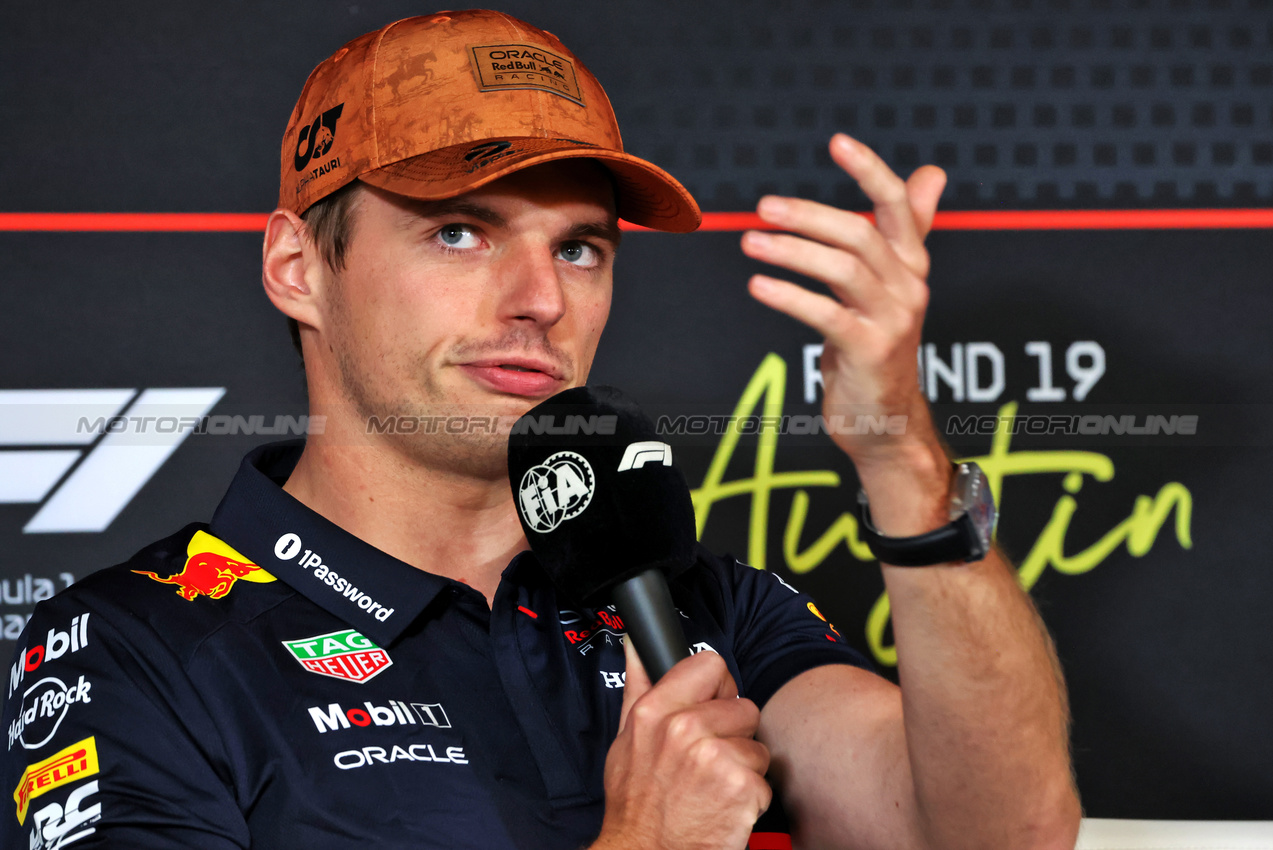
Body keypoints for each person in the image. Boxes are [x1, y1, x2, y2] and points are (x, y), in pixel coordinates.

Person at [2, 9, 1080, 850]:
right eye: (460, 233)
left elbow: (1003, 831)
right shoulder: (134, 652)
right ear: (298, 268)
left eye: (579, 249)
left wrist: (899, 456)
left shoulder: (706, 610)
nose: (539, 301)